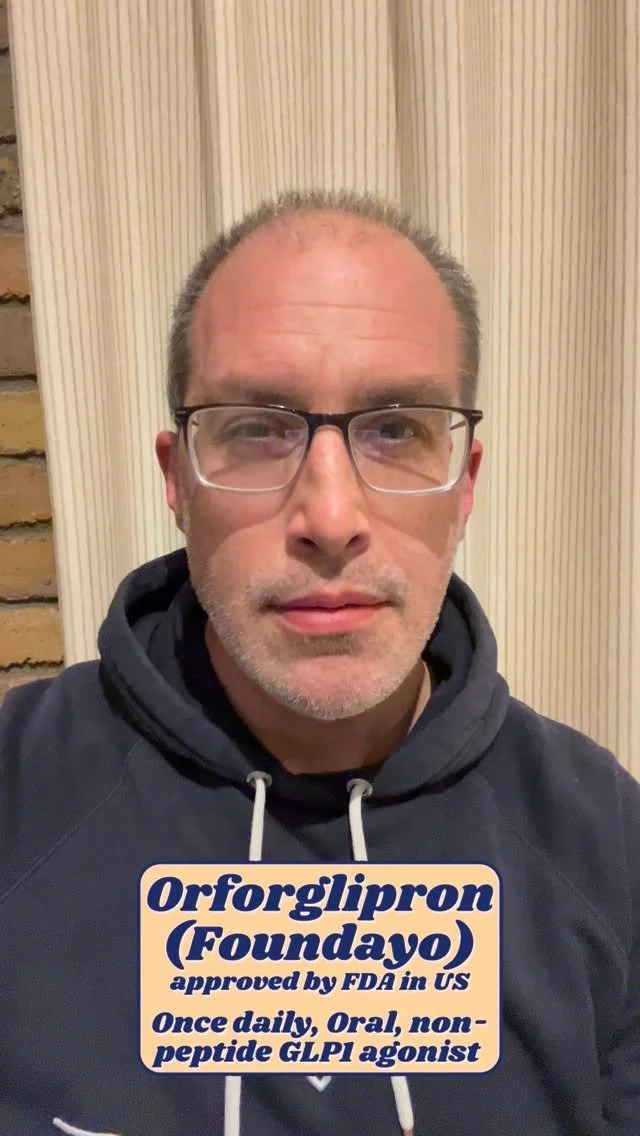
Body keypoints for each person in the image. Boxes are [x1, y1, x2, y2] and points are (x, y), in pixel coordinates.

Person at [0, 188, 638, 1136]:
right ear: (177, 480)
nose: (331, 518)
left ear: (464, 486)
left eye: (398, 428)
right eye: (257, 429)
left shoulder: (607, 843)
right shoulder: (17, 797)